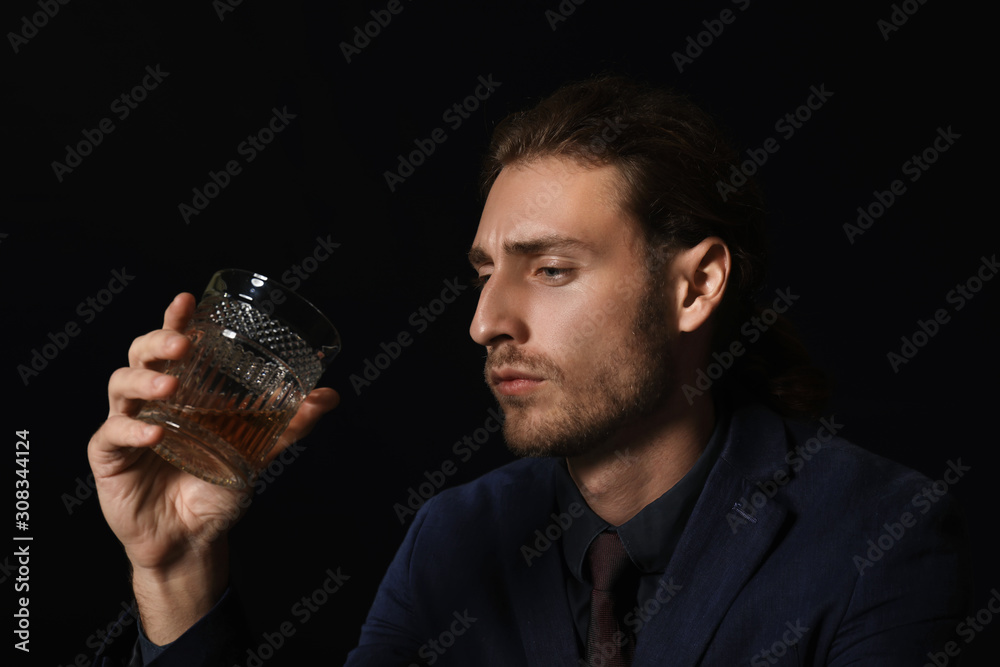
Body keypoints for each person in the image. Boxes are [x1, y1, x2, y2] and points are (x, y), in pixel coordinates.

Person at [89, 75, 970, 666]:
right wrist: (177, 570)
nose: (485, 323)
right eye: (484, 272)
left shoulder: (881, 542)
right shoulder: (452, 538)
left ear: (695, 285)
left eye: (550, 269)